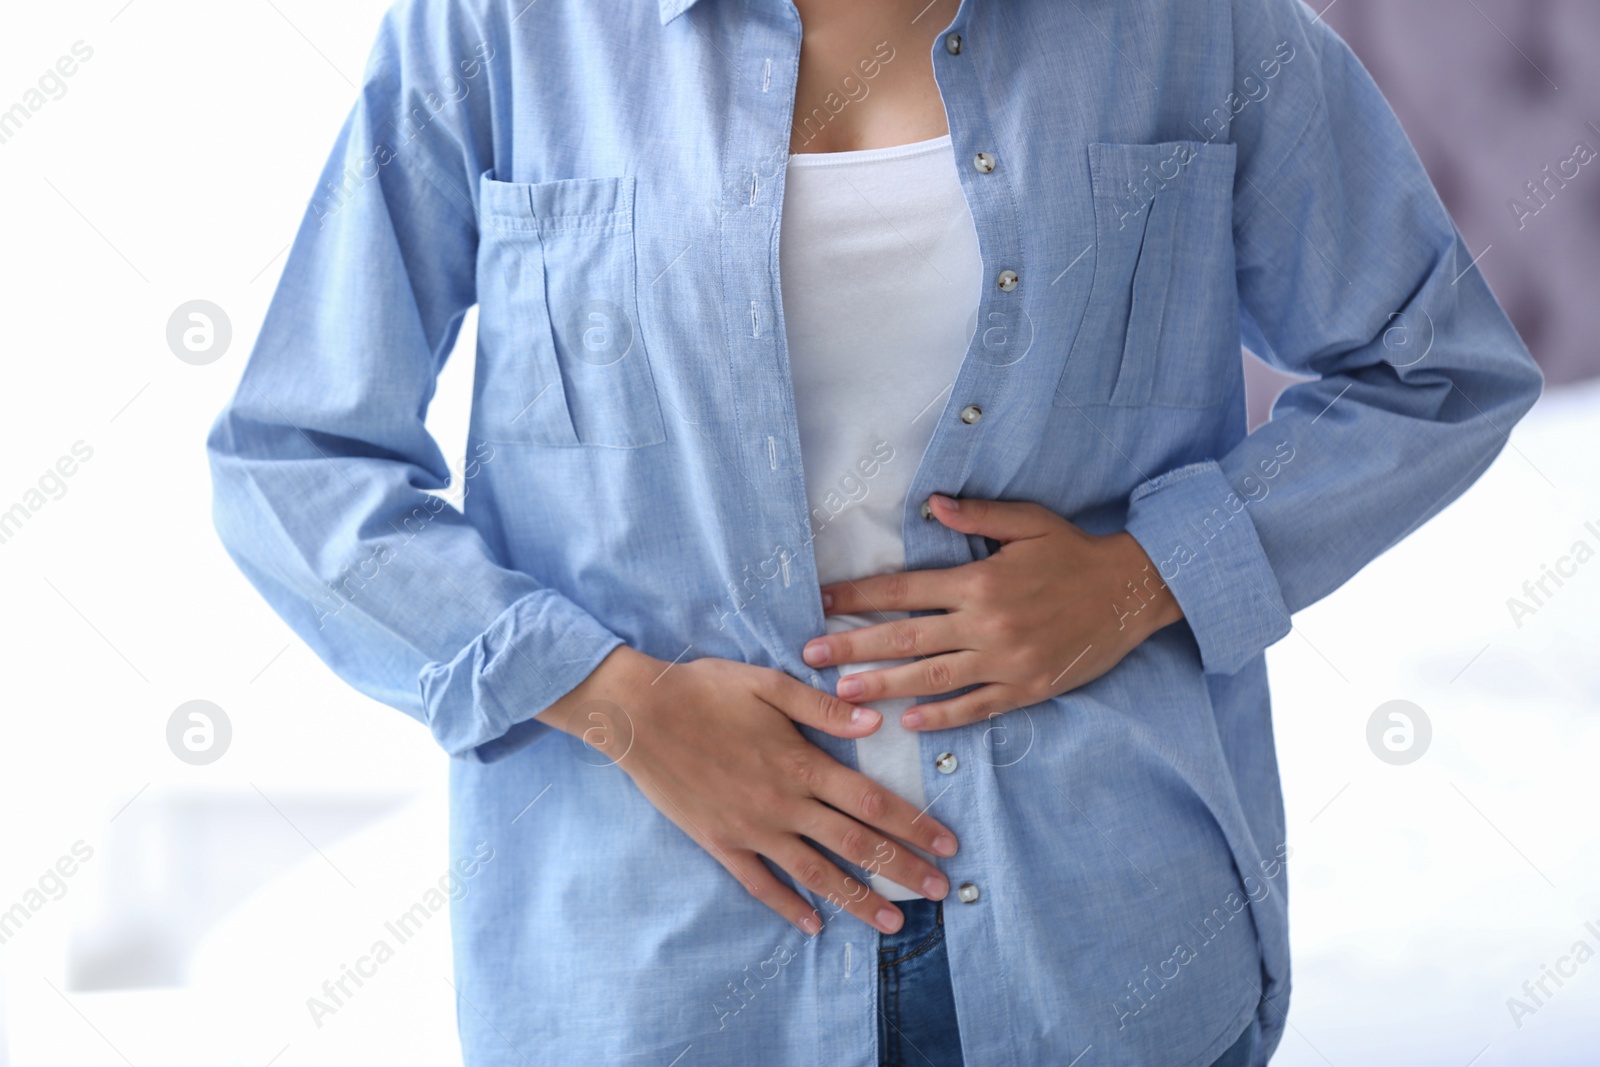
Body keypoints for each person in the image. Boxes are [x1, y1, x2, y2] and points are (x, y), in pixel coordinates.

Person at [205, 0, 1543, 1063]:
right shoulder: (494, 28)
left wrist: (1148, 579)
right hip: (651, 970)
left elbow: (1434, 371)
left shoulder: (1198, 28)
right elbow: (296, 458)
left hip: (1103, 935)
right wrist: (620, 703)